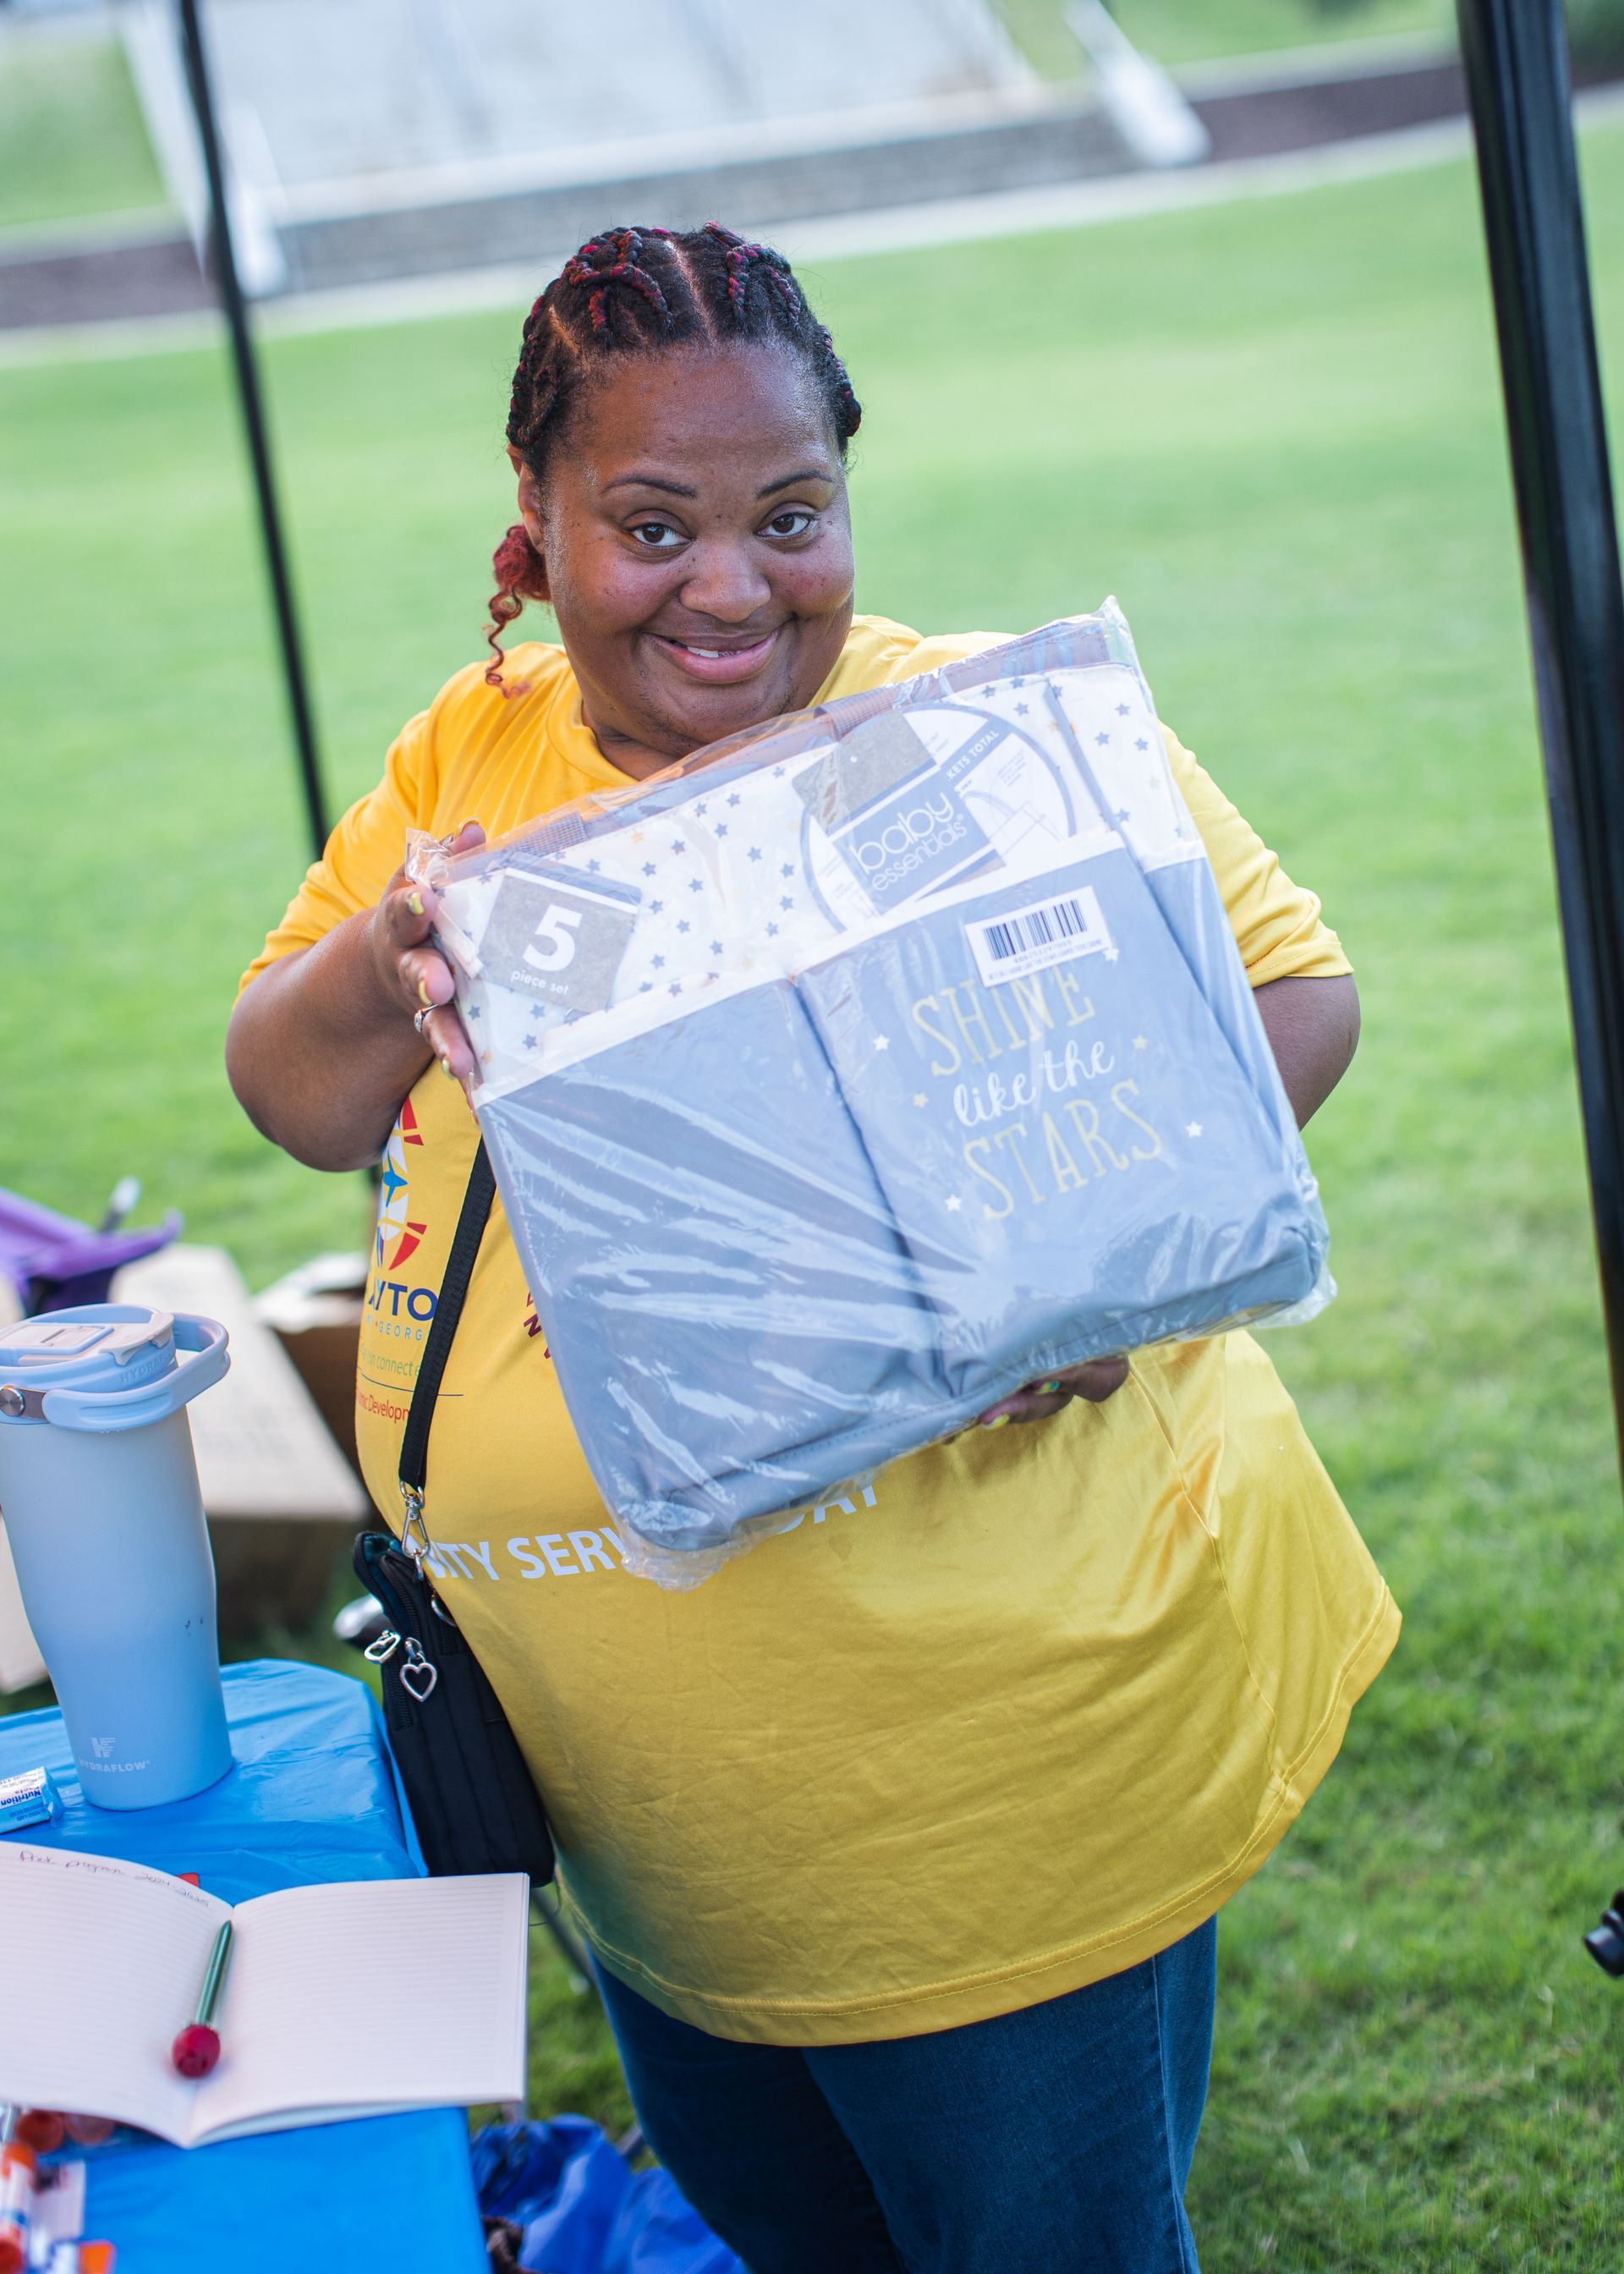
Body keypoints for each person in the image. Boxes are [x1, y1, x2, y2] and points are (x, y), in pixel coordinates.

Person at [229, 223, 1398, 2274]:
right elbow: (292, 1092)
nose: (731, 585)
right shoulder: (471, 753)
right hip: (654, 1827)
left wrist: (1082, 1262)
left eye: (790, 514)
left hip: (991, 1800)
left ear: (846, 488)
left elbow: (1296, 993)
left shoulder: (977, 740)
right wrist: (381, 958)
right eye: (652, 523)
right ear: (542, 518)